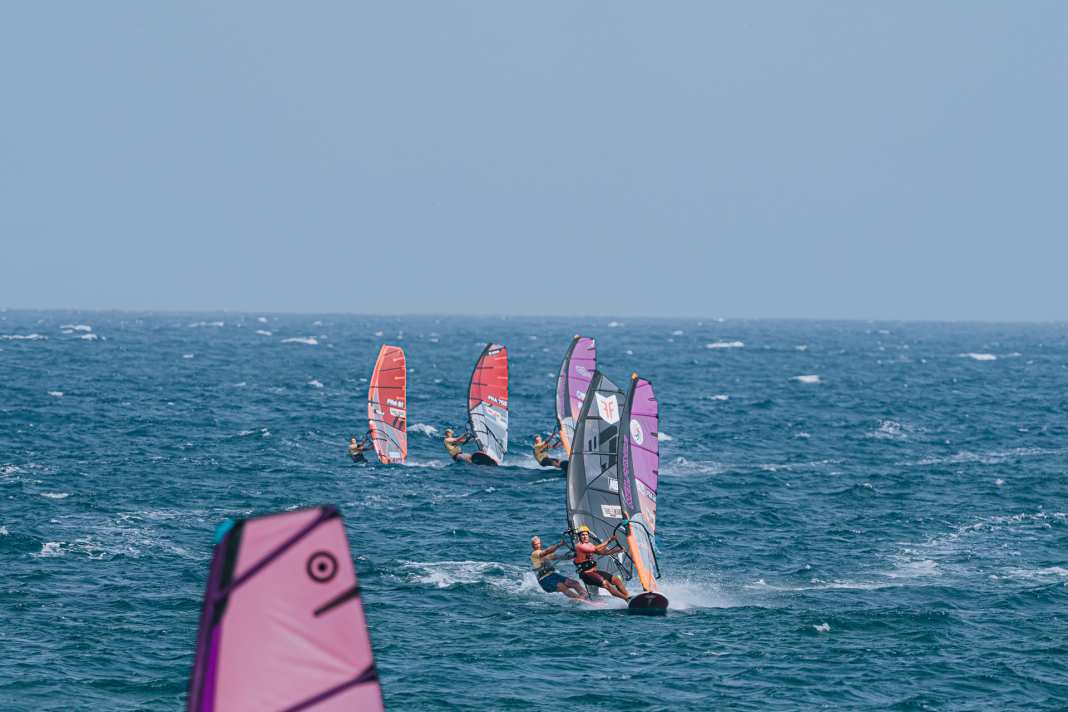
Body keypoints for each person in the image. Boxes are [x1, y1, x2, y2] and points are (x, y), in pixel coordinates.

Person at [572, 525, 630, 601]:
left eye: (586, 534)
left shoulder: (589, 544)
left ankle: (628, 597)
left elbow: (601, 553)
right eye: (582, 535)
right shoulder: (579, 546)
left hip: (595, 571)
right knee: (607, 585)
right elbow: (595, 549)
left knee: (616, 580)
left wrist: (616, 550)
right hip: (586, 574)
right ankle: (626, 599)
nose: (585, 536)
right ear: (579, 536)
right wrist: (609, 540)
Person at [530, 535, 588, 601]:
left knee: (574, 583)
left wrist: (575, 555)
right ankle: (579, 599)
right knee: (562, 587)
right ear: (532, 546)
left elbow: (562, 557)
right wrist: (559, 545)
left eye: (539, 543)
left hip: (553, 575)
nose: (538, 545)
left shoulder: (547, 555)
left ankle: (585, 595)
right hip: (544, 580)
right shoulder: (535, 554)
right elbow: (546, 551)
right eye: (535, 544)